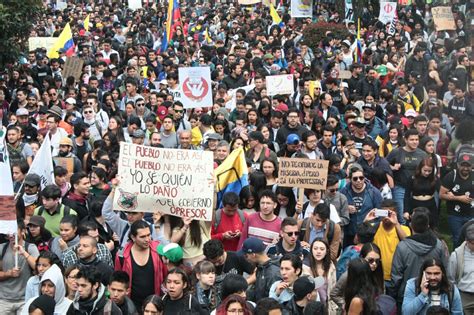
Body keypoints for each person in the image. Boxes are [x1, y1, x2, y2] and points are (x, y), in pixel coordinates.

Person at [388, 208, 449, 305]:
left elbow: (396, 276)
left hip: (406, 296)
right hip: (433, 294)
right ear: (428, 225)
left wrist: (392, 296)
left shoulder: (402, 246)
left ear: (411, 225)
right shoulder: (439, 245)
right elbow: (446, 270)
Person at [115, 220, 168, 310]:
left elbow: (166, 276)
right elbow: (118, 281)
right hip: (131, 305)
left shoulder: (159, 250)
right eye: (143, 236)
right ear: (133, 237)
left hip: (154, 304)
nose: (147, 239)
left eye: (148, 235)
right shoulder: (121, 255)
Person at [386, 129, 427, 223]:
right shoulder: (396, 152)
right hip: (400, 187)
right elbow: (384, 164)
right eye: (412, 140)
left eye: (416, 139)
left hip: (417, 189)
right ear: (406, 140)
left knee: (416, 215)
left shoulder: (422, 154)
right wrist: (392, 167)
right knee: (402, 216)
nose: (415, 142)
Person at [367, 199, 411, 283]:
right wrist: (366, 220)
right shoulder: (373, 227)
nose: (386, 217)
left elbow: (408, 244)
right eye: (384, 213)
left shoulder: (404, 229)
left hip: (396, 277)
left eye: (389, 213)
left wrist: (396, 223)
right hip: (376, 275)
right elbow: (357, 240)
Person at [0, 220, 39, 313]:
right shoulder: (2, 248)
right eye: (9, 232)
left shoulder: (30, 247)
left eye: (14, 231)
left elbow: (38, 268)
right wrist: (8, 274)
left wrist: (24, 253)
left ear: (23, 231)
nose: (11, 235)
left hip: (25, 300)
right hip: (3, 300)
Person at [340, 163, 383, 247]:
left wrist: (371, 226)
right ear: (350, 179)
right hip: (349, 233)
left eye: (361, 178)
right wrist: (346, 208)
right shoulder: (343, 192)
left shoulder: (374, 192)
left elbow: (380, 214)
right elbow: (335, 210)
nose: (359, 180)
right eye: (355, 179)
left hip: (368, 234)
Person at [440, 151, 474, 247]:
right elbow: (441, 195)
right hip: (455, 215)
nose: (465, 168)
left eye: (468, 166)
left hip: (471, 214)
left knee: (472, 239)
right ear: (458, 165)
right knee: (457, 239)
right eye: (463, 165)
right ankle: (457, 259)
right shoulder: (451, 176)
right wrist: (458, 198)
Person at [240, 237, 281, 302]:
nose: (246, 259)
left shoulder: (273, 273)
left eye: (246, 256)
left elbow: (272, 300)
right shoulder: (261, 267)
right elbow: (257, 293)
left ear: (253, 255)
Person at [448, 224, 474, 314]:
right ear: (466, 240)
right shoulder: (456, 255)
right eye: (473, 243)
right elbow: (451, 279)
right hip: (464, 296)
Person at [302, 238, 336, 305]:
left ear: (327, 251)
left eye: (322, 249)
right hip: (310, 305)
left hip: (327, 305)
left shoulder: (330, 265)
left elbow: (333, 287)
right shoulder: (305, 267)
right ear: (311, 250)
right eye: (315, 248)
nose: (318, 251)